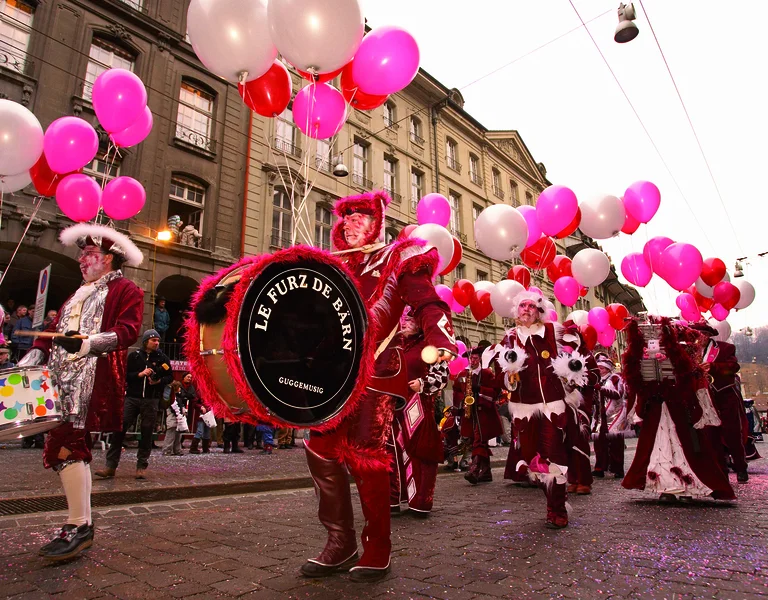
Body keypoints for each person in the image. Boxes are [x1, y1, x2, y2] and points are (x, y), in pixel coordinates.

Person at [300, 190, 457, 583]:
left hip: (376, 374)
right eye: (346, 216)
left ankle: (377, 549)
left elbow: (427, 302)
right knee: (318, 450)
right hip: (331, 377)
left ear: (378, 221)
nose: (349, 222)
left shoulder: (398, 258)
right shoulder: (332, 267)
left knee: (366, 456)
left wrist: (439, 338)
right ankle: (340, 543)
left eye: (360, 216)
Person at [18, 223, 144, 560]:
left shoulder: (127, 289)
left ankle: (79, 525)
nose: (80, 260)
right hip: (58, 382)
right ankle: (81, 525)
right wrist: (30, 359)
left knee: (64, 445)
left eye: (88, 254)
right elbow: (52, 333)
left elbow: (127, 331)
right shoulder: (77, 293)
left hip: (90, 381)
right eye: (82, 254)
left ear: (108, 259)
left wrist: (89, 342)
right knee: (68, 447)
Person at [491, 291, 585, 529]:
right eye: (522, 305)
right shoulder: (509, 339)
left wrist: (570, 375)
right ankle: (555, 496)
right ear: (516, 311)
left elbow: (571, 360)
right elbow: (501, 373)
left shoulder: (553, 332)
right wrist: (509, 377)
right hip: (524, 408)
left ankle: (557, 509)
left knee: (554, 455)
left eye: (531, 306)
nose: (526, 309)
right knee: (532, 459)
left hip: (552, 405)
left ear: (539, 311)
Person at [621, 317, 735, 502]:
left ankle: (687, 487)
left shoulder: (686, 354)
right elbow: (638, 382)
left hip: (681, 409)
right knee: (659, 446)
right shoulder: (646, 357)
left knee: (687, 448)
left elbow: (693, 381)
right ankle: (666, 487)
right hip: (658, 408)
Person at [387, 308, 450, 516]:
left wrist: (423, 384)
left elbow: (442, 377)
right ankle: (393, 498)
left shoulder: (430, 346)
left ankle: (419, 501)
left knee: (420, 453)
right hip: (392, 407)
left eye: (410, 318)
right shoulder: (394, 344)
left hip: (418, 406)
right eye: (403, 317)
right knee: (392, 452)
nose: (405, 321)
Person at [95, 329, 173, 480]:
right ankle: (110, 466)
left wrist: (158, 381)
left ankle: (141, 466)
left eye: (157, 340)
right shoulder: (135, 356)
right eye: (153, 340)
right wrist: (139, 375)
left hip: (151, 399)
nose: (156, 343)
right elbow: (125, 375)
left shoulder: (163, 358)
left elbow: (169, 376)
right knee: (120, 429)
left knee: (147, 431)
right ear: (145, 341)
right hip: (132, 397)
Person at [689, 322, 749, 483]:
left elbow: (733, 367)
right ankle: (721, 471)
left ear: (708, 335)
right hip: (704, 397)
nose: (697, 338)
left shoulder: (725, 348)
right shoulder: (691, 352)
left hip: (724, 395)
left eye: (700, 334)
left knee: (732, 434)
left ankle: (741, 467)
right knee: (711, 435)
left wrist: (713, 367)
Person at [454, 347, 502, 485]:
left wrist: (479, 389)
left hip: (484, 413)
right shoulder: (464, 374)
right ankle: (486, 472)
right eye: (471, 358)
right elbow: (457, 390)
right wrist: (459, 407)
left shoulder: (486, 373)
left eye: (475, 358)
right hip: (470, 413)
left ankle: (474, 469)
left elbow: (496, 391)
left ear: (480, 359)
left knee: (479, 440)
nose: (472, 361)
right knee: (477, 441)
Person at [592, 353, 632, 479]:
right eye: (598, 368)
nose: (600, 370)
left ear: (608, 369)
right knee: (599, 443)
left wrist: (601, 389)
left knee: (616, 444)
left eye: (602, 368)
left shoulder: (615, 378)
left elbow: (618, 394)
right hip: (600, 415)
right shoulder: (598, 380)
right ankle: (599, 468)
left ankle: (617, 469)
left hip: (615, 415)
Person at [162, 381, 186, 456]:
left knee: (178, 435)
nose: (180, 389)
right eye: (179, 388)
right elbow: (172, 407)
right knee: (170, 435)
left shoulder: (178, 397)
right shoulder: (171, 398)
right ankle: (167, 450)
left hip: (177, 418)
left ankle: (177, 450)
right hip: (172, 417)